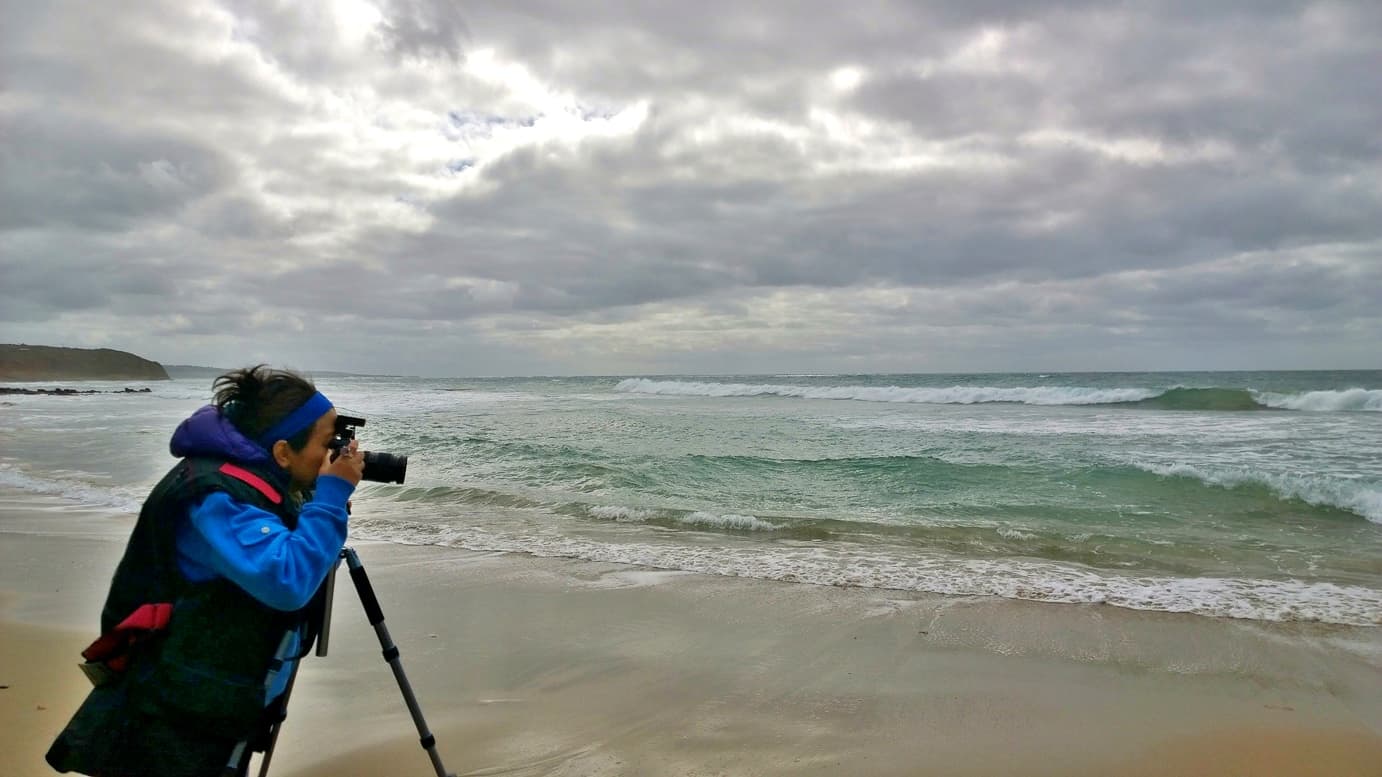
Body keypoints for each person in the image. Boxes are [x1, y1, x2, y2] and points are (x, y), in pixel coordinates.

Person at [46, 365, 365, 777]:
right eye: (329, 442)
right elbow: (287, 580)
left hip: (200, 703)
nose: (337, 453)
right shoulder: (215, 498)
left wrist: (317, 504)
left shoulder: (246, 482)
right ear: (282, 452)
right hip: (171, 720)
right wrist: (330, 499)